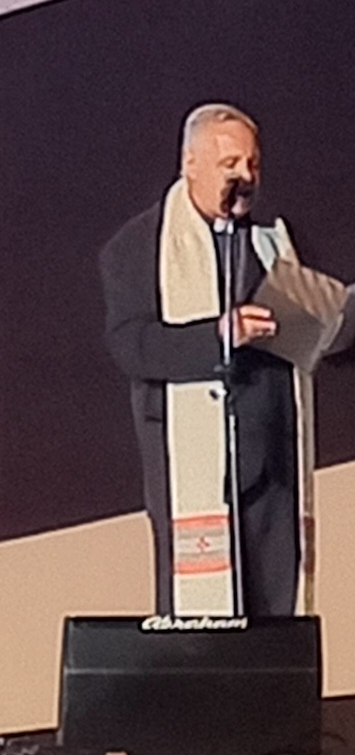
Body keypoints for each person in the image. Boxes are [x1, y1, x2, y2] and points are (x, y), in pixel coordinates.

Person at [99, 104, 338, 619]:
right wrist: (218, 336)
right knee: (205, 622)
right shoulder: (137, 246)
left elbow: (314, 326)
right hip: (196, 461)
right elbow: (131, 345)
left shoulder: (274, 240)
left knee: (277, 616)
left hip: (274, 462)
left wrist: (347, 327)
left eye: (253, 164)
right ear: (190, 163)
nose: (244, 176)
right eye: (230, 164)